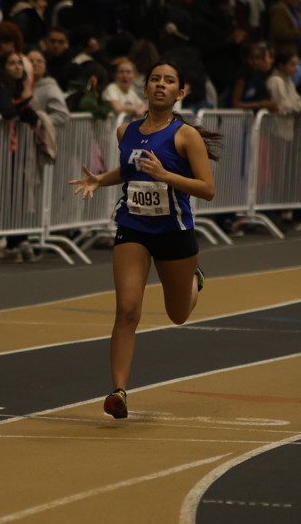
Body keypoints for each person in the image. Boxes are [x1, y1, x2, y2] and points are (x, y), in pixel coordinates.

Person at [69, 61, 220, 419]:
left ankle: (194, 280)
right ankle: (118, 391)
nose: (161, 85)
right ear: (146, 88)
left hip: (174, 232)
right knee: (127, 309)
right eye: (155, 79)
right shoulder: (126, 131)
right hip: (133, 227)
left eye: (169, 81)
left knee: (177, 315)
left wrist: (166, 175)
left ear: (180, 92)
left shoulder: (186, 136)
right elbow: (130, 170)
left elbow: (208, 189)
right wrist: (100, 180)